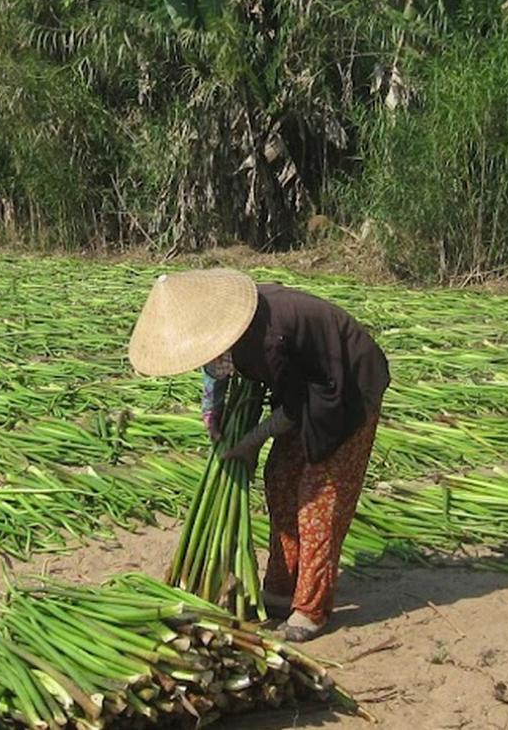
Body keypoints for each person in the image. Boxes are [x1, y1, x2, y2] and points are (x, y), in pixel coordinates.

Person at [127, 268, 390, 641]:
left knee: (317, 501)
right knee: (280, 480)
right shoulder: (224, 328)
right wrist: (211, 410)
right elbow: (213, 369)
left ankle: (311, 610)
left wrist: (251, 441)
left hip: (346, 387)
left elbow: (293, 410)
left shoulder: (266, 340)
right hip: (307, 385)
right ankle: (283, 587)